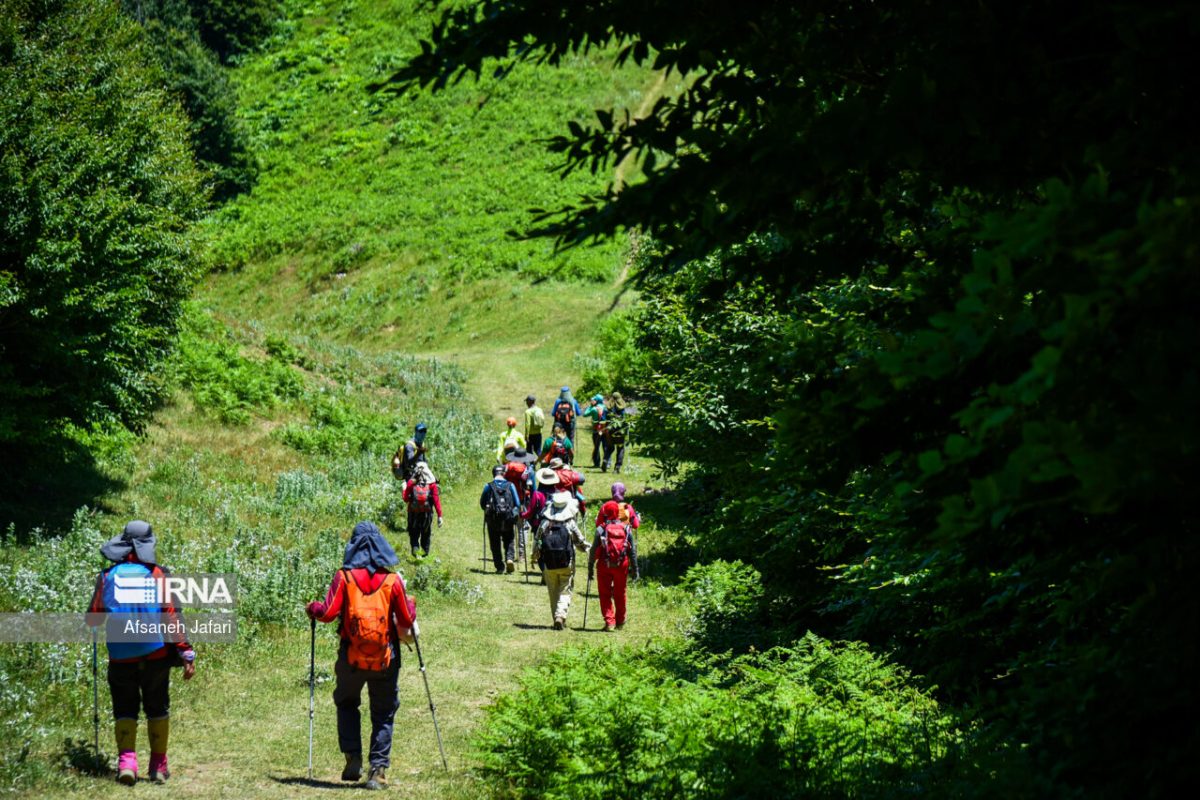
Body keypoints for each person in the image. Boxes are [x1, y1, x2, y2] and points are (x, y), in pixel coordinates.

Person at [307, 522, 417, 791]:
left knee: (346, 703)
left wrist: (313, 608)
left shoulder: (343, 578)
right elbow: (406, 618)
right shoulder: (392, 581)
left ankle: (353, 757)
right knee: (383, 713)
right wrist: (411, 604)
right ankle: (377, 771)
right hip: (386, 658)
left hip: (350, 657)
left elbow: (328, 612)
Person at [87, 521, 196, 785]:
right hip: (156, 656)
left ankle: (127, 763)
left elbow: (93, 620)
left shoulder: (107, 576)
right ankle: (158, 766)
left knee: (125, 708)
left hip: (121, 657)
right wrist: (186, 653)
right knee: (157, 706)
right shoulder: (158, 574)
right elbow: (171, 616)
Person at [531, 491, 589, 629]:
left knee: (553, 591)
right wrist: (587, 549)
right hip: (566, 563)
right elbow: (579, 541)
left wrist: (534, 557)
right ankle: (560, 615)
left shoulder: (545, 522)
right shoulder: (570, 522)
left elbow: (537, 540)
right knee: (565, 589)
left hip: (548, 564)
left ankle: (556, 618)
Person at [588, 504, 640, 631]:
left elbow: (594, 550)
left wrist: (590, 567)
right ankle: (620, 622)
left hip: (604, 565)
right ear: (618, 513)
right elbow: (632, 552)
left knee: (605, 593)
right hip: (622, 565)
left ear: (605, 514)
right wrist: (635, 570)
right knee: (620, 593)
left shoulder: (601, 529)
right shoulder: (627, 528)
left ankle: (610, 622)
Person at [480, 465, 521, 573]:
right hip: (508, 518)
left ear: (493, 474)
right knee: (509, 540)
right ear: (504, 474)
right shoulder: (510, 485)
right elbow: (517, 503)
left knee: (495, 543)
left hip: (493, 519)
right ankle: (509, 558)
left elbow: (482, 503)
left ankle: (499, 567)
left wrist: (487, 511)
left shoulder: (488, 486)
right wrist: (514, 515)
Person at [402, 462, 443, 557]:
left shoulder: (411, 483)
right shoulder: (432, 484)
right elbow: (436, 501)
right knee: (426, 534)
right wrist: (440, 516)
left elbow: (406, 499)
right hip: (427, 514)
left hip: (413, 514)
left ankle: (415, 550)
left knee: (413, 533)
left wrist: (404, 489)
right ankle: (425, 555)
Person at [550, 386, 582, 455]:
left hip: (559, 424)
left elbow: (553, 413)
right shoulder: (573, 401)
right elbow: (578, 413)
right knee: (571, 439)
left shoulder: (558, 401)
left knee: (559, 438)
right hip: (570, 423)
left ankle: (559, 453)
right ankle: (571, 455)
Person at [601, 395, 629, 474]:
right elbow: (625, 420)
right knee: (620, 449)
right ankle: (617, 468)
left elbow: (603, 420)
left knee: (609, 448)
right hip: (620, 432)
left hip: (610, 431)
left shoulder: (607, 408)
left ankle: (605, 462)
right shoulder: (622, 408)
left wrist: (604, 430)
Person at [581, 394, 607, 468]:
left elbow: (585, 414)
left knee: (596, 446)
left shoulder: (594, 409)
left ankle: (597, 463)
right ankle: (607, 461)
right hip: (604, 429)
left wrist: (591, 406)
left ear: (597, 401)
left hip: (596, 430)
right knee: (605, 446)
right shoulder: (605, 408)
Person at [523, 394, 545, 460]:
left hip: (530, 434)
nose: (526, 403)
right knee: (538, 450)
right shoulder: (539, 410)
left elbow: (527, 424)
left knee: (529, 451)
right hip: (539, 433)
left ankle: (531, 466)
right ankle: (544, 462)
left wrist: (526, 436)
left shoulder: (528, 412)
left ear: (530, 402)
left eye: (527, 401)